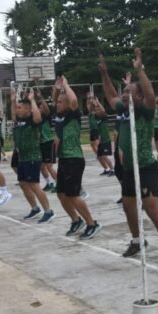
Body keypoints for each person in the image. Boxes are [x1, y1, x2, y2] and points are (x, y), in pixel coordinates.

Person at [100, 49, 158, 273]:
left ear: (139, 97)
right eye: (124, 92)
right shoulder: (123, 110)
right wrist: (104, 74)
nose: (124, 95)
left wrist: (140, 70)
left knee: (152, 210)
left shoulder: (145, 111)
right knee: (128, 207)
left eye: (129, 92)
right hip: (128, 168)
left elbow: (151, 95)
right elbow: (110, 95)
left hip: (145, 167)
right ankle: (137, 241)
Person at [52, 75, 101, 239]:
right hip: (64, 158)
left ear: (67, 104)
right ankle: (76, 220)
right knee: (61, 194)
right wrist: (57, 89)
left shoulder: (73, 114)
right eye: (58, 102)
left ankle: (92, 223)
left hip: (74, 158)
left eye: (61, 102)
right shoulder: (59, 115)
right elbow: (55, 99)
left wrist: (66, 85)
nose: (57, 104)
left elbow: (73, 100)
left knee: (73, 195)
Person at [11, 87, 54, 223]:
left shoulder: (32, 120)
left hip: (32, 157)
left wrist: (32, 100)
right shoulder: (19, 120)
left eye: (20, 108)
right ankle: (35, 208)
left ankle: (48, 211)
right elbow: (13, 115)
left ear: (27, 109)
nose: (17, 110)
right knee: (23, 184)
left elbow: (38, 117)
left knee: (34, 185)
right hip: (22, 157)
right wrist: (13, 101)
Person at [86, 95, 115, 176]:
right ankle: (106, 169)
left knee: (105, 156)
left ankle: (112, 170)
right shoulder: (96, 117)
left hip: (106, 140)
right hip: (101, 140)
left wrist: (98, 102)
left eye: (98, 110)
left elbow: (103, 110)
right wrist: (90, 100)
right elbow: (90, 108)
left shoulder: (103, 118)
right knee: (99, 156)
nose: (97, 111)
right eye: (96, 110)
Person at [37, 89, 58, 192]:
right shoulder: (37, 119)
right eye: (39, 107)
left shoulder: (46, 116)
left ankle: (59, 184)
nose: (40, 109)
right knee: (41, 166)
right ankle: (49, 183)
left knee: (49, 166)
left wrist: (40, 97)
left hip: (49, 142)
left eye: (41, 107)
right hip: (41, 144)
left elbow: (46, 109)